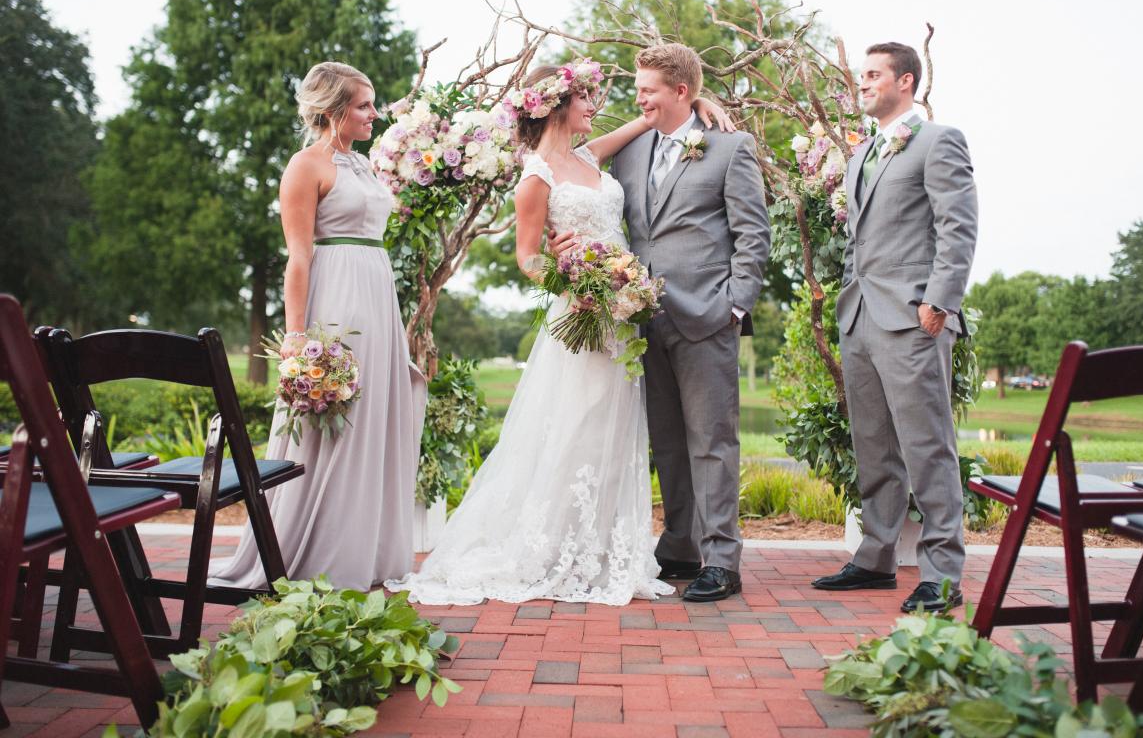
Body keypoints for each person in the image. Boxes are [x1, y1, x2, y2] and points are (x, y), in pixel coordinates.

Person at [392, 60, 732, 605]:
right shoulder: (536, 176)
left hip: (623, 314)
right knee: (573, 426)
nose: (595, 107)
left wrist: (702, 102)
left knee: (616, 430)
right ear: (557, 104)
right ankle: (552, 549)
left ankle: (600, 546)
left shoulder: (589, 155)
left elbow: (653, 120)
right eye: (586, 99)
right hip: (581, 315)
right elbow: (526, 258)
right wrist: (571, 277)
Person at [209, 61, 426, 592]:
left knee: (372, 421)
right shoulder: (305, 166)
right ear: (333, 111)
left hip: (378, 298)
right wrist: (298, 339)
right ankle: (312, 553)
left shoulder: (365, 165)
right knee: (332, 424)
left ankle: (366, 549)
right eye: (363, 106)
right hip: (337, 300)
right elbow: (299, 257)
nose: (374, 114)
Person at [811, 42, 978, 612]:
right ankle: (876, 557)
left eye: (874, 74)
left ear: (905, 81)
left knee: (927, 446)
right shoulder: (862, 153)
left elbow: (958, 227)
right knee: (874, 445)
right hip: (860, 316)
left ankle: (941, 573)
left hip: (914, 318)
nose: (863, 82)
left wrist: (940, 301)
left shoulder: (938, 141)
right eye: (862, 74)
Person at [609, 44, 771, 602]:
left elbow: (754, 235)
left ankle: (722, 558)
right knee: (669, 444)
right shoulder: (627, 154)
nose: (639, 97)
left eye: (648, 88)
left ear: (682, 91)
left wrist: (735, 305)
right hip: (643, 319)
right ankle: (679, 545)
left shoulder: (730, 148)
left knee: (712, 441)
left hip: (707, 316)